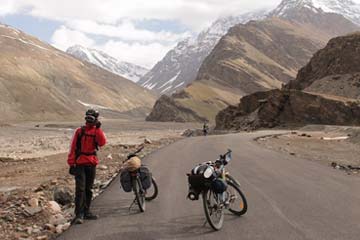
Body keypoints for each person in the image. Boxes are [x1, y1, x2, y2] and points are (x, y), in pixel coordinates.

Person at [67, 109, 107, 224]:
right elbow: (73, 147)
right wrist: (71, 162)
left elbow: (102, 143)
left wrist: (98, 128)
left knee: (88, 189)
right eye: (88, 117)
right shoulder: (79, 131)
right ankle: (79, 214)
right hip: (80, 163)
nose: (89, 120)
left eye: (92, 118)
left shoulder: (96, 131)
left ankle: (86, 211)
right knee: (80, 189)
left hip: (91, 163)